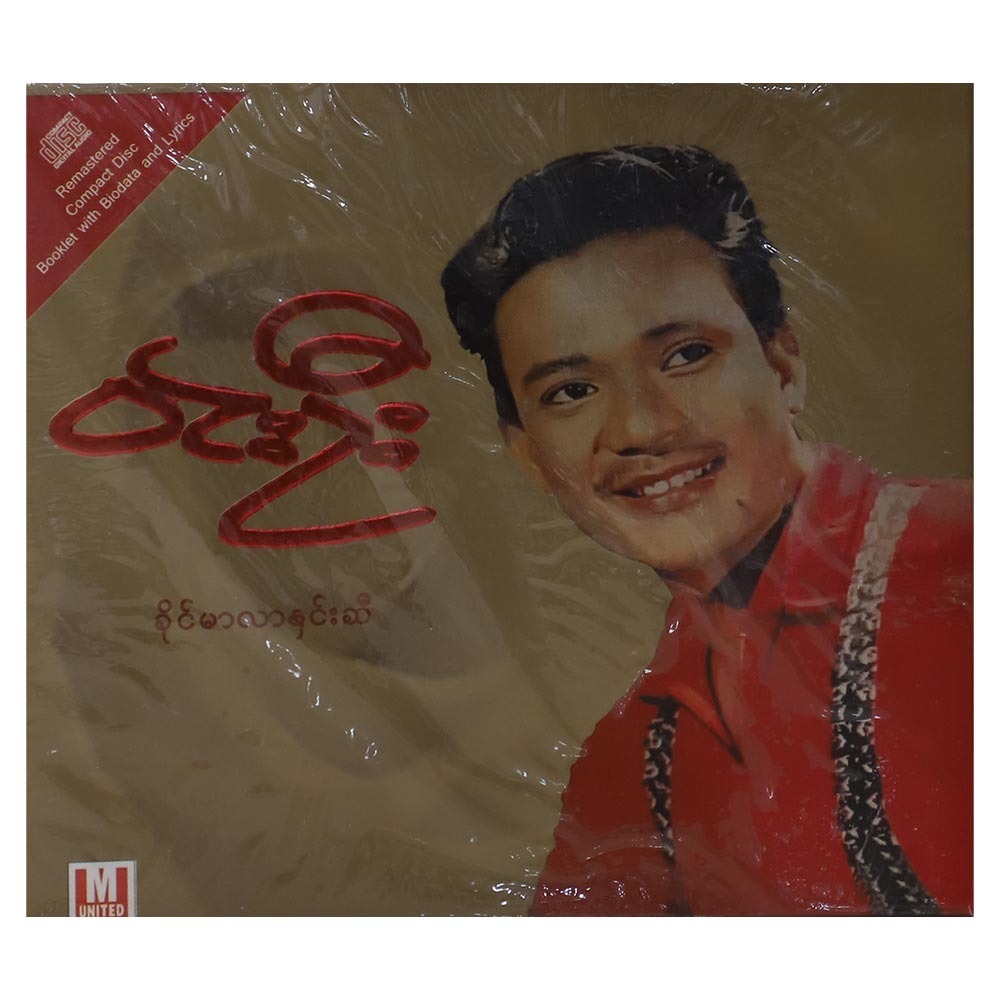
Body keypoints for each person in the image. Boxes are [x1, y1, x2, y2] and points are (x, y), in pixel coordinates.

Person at [440, 145, 972, 916]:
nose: (641, 428)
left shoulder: (963, 560)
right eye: (572, 391)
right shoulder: (628, 764)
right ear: (528, 454)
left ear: (782, 363)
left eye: (686, 355)